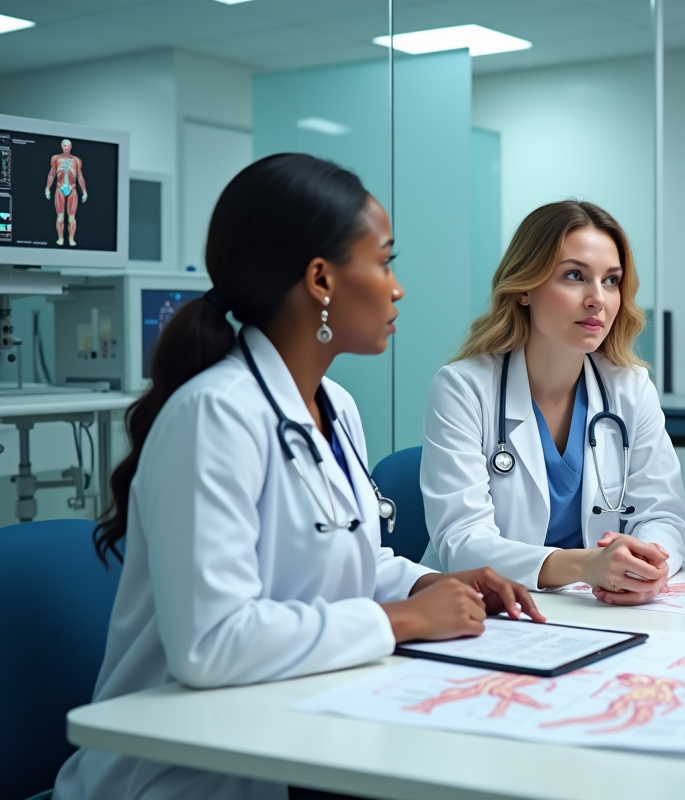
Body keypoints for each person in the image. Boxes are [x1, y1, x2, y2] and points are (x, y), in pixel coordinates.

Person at [55, 154, 543, 800]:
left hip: (291, 735)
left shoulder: (334, 407)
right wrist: (403, 619)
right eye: (385, 261)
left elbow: (346, 561)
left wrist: (435, 581)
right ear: (321, 278)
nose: (397, 289)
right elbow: (212, 644)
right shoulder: (215, 416)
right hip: (178, 778)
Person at [421, 200, 685, 604]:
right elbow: (462, 543)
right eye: (575, 276)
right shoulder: (463, 388)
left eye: (611, 280)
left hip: (598, 608)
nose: (597, 298)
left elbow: (663, 514)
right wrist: (587, 565)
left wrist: (646, 566)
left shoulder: (631, 388)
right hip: (485, 609)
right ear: (525, 287)